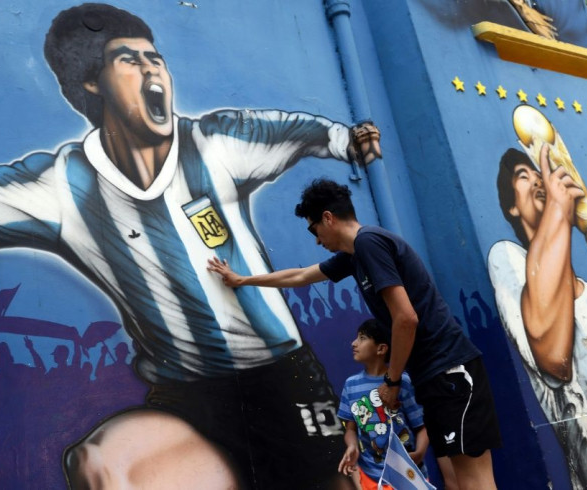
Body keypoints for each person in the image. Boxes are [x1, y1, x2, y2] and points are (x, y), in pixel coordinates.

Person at [0, 4, 382, 488]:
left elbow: (300, 131)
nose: (152, 69)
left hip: (280, 376)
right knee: (101, 462)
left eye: (155, 57)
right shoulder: (63, 186)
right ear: (93, 82)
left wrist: (347, 140)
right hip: (187, 393)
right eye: (129, 60)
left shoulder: (216, 142)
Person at [208, 178, 501, 490]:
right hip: (438, 376)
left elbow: (405, 318)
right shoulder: (354, 256)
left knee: (474, 481)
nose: (317, 240)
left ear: (328, 218)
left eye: (313, 229)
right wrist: (242, 280)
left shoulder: (368, 244)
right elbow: (301, 275)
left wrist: (391, 381)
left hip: (450, 372)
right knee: (463, 477)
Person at [488, 146, 587, 490]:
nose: (540, 180)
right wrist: (557, 213)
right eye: (525, 176)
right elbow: (555, 358)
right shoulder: (506, 260)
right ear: (511, 204)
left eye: (542, 176)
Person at [337, 318, 429, 490]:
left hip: (408, 476)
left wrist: (420, 453)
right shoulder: (351, 385)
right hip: (372, 478)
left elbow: (422, 426)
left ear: (381, 348)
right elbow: (350, 429)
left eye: (362, 338)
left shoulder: (403, 382)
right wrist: (352, 446)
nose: (353, 343)